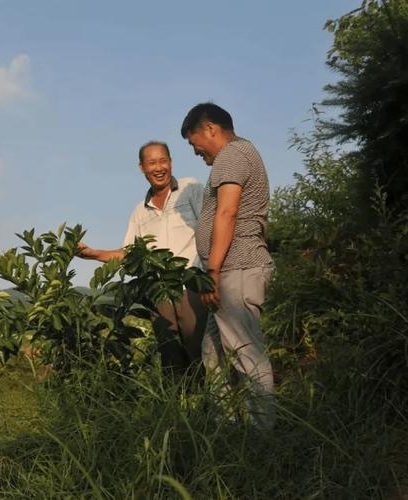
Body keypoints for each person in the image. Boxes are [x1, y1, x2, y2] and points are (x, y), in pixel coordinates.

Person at [180, 102, 275, 427]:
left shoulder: (232, 155)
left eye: (195, 143)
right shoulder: (237, 155)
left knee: (246, 354)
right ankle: (228, 429)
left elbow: (227, 213)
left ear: (210, 129)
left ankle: (263, 436)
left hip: (235, 269)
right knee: (214, 353)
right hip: (229, 269)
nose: (196, 152)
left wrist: (212, 271)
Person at [79, 141, 207, 370]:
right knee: (172, 360)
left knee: (202, 353)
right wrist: (93, 254)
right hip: (160, 295)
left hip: (193, 287)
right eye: (152, 163)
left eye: (163, 161)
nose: (159, 168)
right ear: (142, 168)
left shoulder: (191, 189)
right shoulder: (139, 212)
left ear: (171, 162)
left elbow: (210, 229)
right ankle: (181, 405)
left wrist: (214, 276)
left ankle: (213, 403)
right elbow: (129, 254)